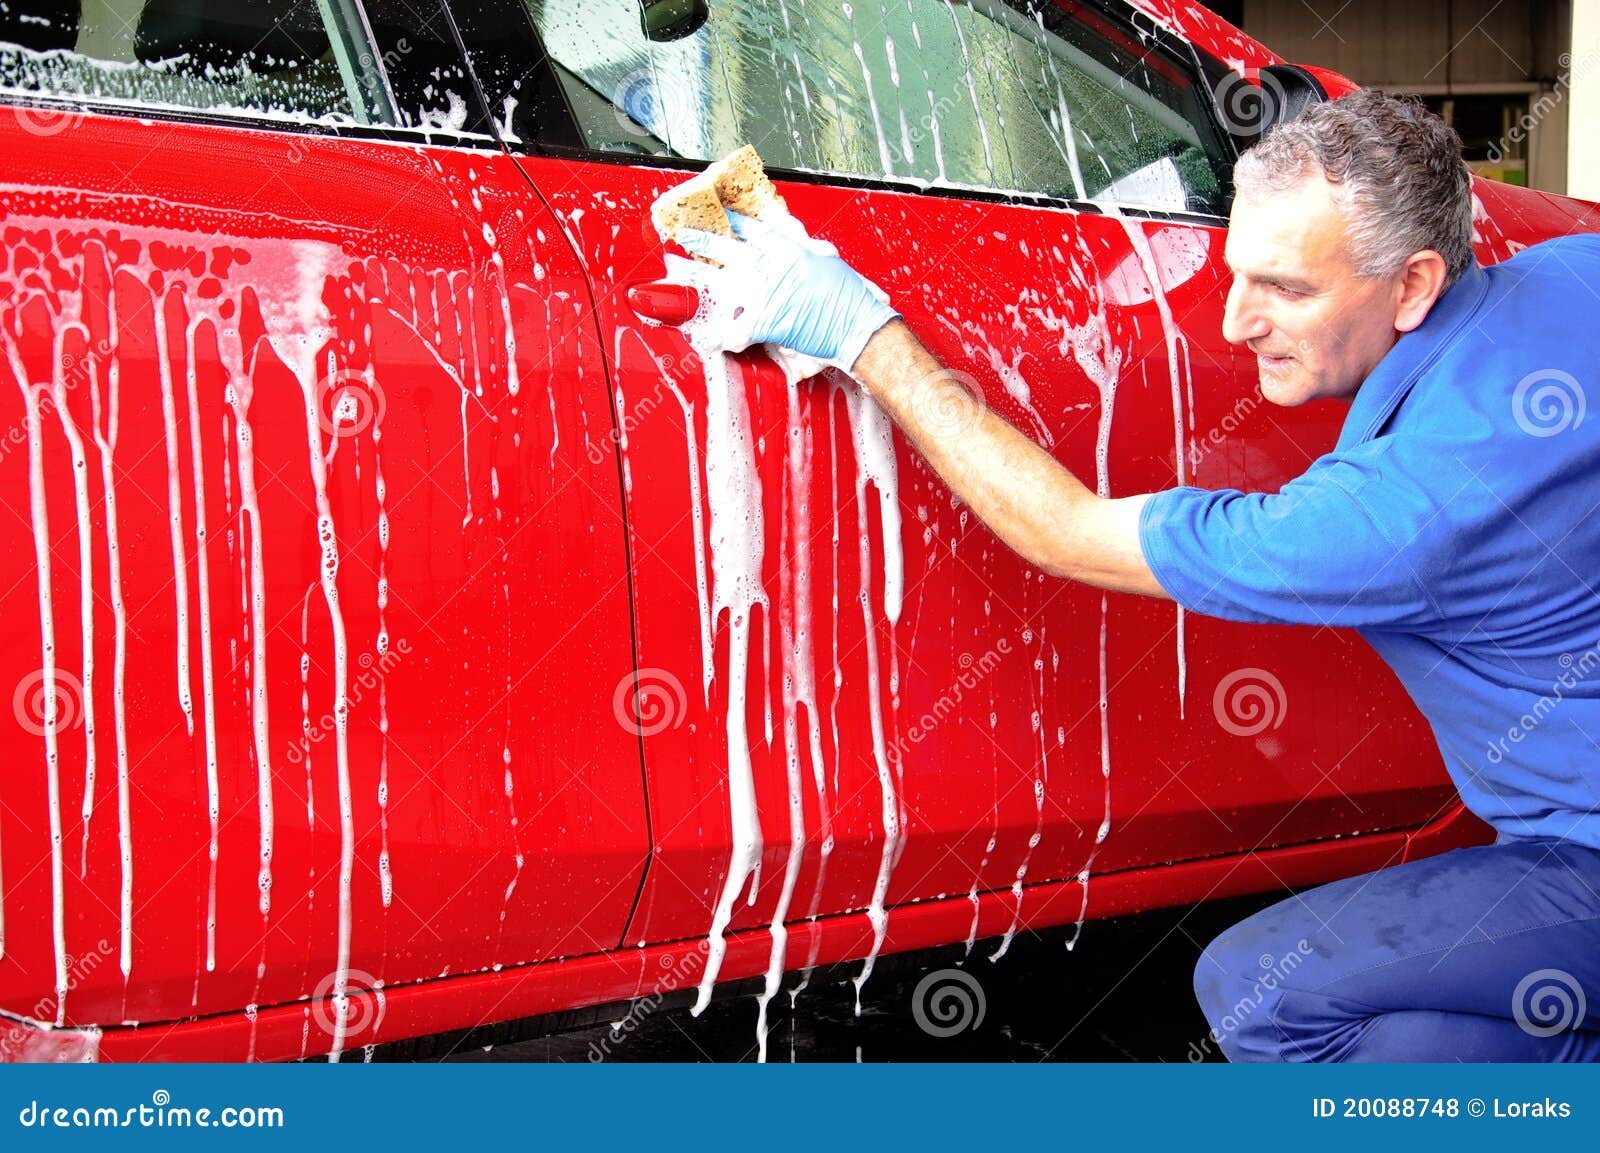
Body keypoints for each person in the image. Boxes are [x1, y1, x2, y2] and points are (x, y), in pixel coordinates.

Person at [665, 89, 1600, 1061]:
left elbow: (1065, 529)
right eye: (1237, 272)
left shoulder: (1402, 510)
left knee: (1257, 993)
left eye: (1284, 289)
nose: (1237, 322)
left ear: (1411, 286)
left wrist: (860, 331)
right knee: (1419, 1050)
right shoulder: (1575, 271)